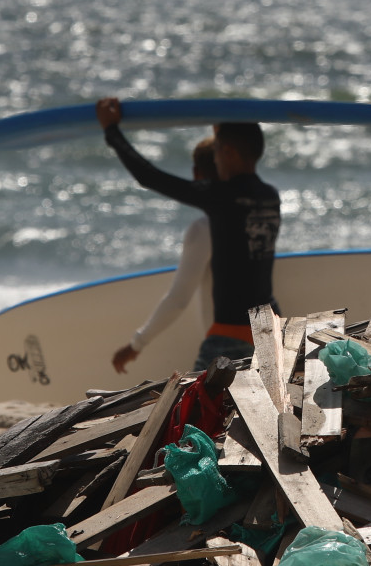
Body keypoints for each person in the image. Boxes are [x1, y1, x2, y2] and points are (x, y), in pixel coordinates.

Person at [96, 98, 280, 373]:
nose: (216, 160)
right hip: (270, 328)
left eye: (218, 153)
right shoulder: (270, 197)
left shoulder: (221, 198)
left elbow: (150, 177)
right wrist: (221, 130)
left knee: (192, 399)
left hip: (231, 335)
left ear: (228, 152)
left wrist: (112, 131)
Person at [111, 136, 218, 374]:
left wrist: (136, 344)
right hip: (266, 331)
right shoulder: (256, 216)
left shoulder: (204, 228)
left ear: (196, 173)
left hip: (224, 341)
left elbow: (178, 299)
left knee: (196, 398)